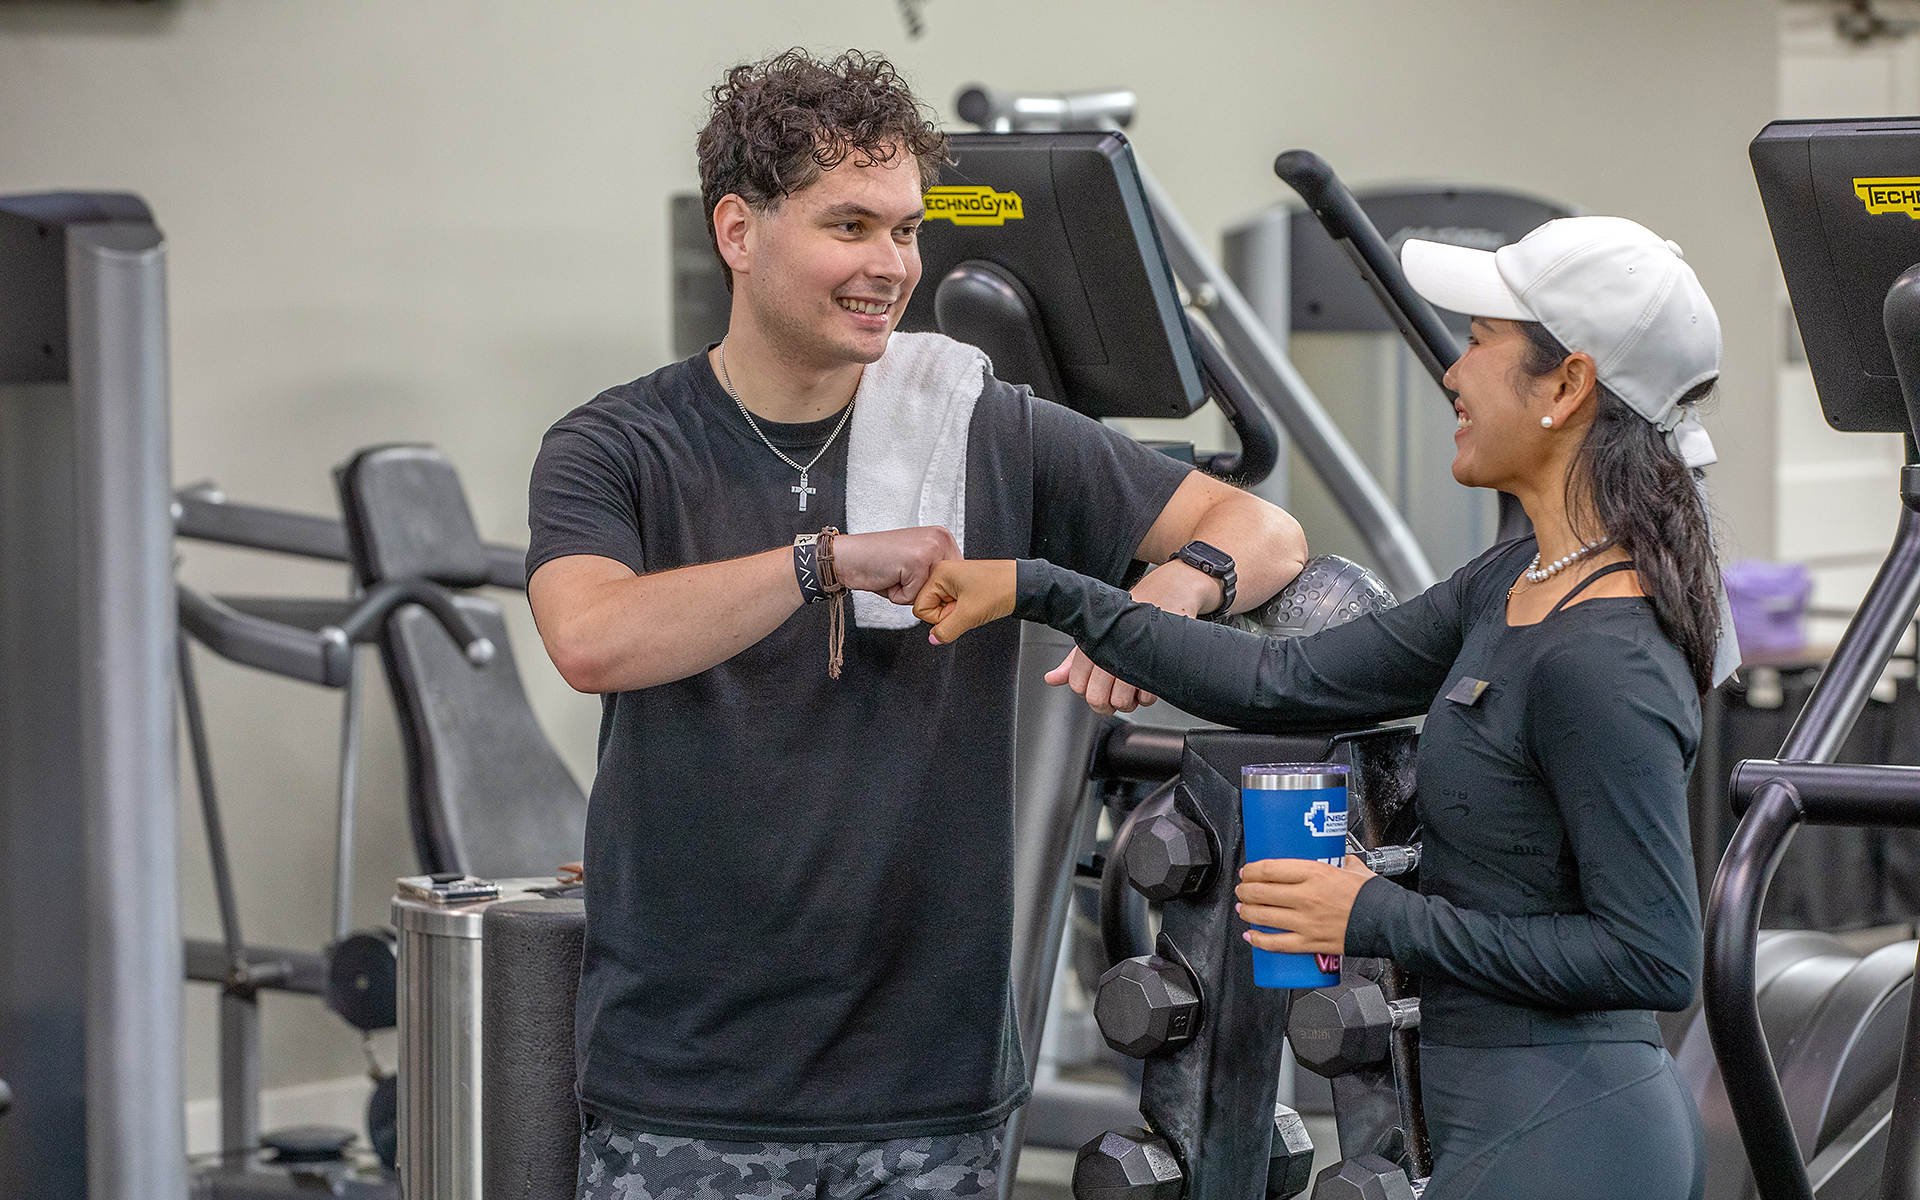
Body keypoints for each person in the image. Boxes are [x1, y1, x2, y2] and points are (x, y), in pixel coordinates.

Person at [524, 49, 1307, 1200]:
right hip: (694, 1085)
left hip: (933, 1094)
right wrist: (824, 561)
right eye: (849, 226)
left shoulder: (977, 426)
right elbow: (592, 638)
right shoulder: (617, 446)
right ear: (738, 231)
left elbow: (1262, 530)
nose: (891, 265)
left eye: (905, 230)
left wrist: (1163, 597)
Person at [913, 215, 1733, 1200]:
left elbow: (1651, 957)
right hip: (1502, 1117)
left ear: (1567, 386)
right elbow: (1283, 682)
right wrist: (1040, 588)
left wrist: (1373, 912)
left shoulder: (1605, 656)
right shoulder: (1516, 581)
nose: (1454, 373)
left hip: (1572, 1135)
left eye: (1480, 343)